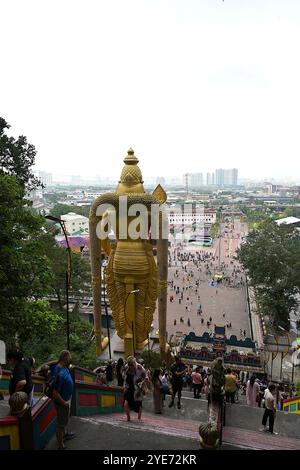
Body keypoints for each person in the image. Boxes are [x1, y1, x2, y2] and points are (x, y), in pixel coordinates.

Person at [52, 350, 75, 449]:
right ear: (65, 358)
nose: (70, 359)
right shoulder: (59, 372)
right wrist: (64, 403)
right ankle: (61, 444)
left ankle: (65, 434)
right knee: (61, 425)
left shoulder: (64, 367)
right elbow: (55, 393)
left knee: (64, 420)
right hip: (62, 402)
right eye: (69, 358)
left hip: (67, 398)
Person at [123, 356, 146, 421]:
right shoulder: (126, 367)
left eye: (132, 365)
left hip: (138, 388)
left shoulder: (140, 368)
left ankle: (139, 418)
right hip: (129, 387)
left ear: (134, 363)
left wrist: (143, 387)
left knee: (138, 403)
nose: (130, 366)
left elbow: (145, 378)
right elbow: (123, 375)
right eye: (129, 365)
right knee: (126, 403)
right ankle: (128, 418)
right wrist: (125, 386)